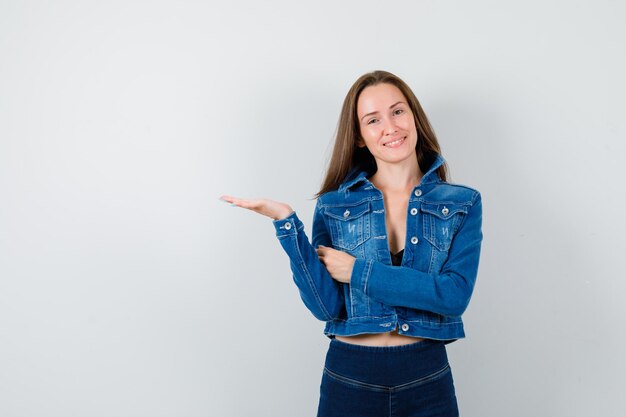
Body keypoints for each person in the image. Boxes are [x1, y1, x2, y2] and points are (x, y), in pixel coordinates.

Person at [220, 70, 483, 417]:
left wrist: (357, 272)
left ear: (414, 116)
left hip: (426, 376)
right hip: (350, 376)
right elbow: (326, 309)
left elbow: (453, 297)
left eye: (398, 111)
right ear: (359, 137)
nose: (390, 127)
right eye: (373, 120)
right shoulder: (333, 205)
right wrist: (287, 226)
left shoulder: (463, 202)